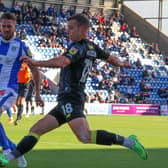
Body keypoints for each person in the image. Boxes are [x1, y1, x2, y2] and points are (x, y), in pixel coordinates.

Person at [0, 13, 147, 167]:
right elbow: (111, 59)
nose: (67, 31)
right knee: (36, 129)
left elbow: (63, 61)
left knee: (85, 136)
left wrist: (36, 62)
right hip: (66, 99)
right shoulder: (92, 46)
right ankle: (10, 157)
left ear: (82, 29)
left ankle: (129, 142)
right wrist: (122, 63)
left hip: (72, 98)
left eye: (71, 28)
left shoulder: (78, 48)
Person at [0, 12, 43, 167]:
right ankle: (17, 152)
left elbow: (35, 69)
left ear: (14, 27)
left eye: (8, 26)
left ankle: (6, 150)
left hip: (9, 89)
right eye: (3, 26)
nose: (5, 29)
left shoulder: (21, 46)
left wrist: (37, 93)